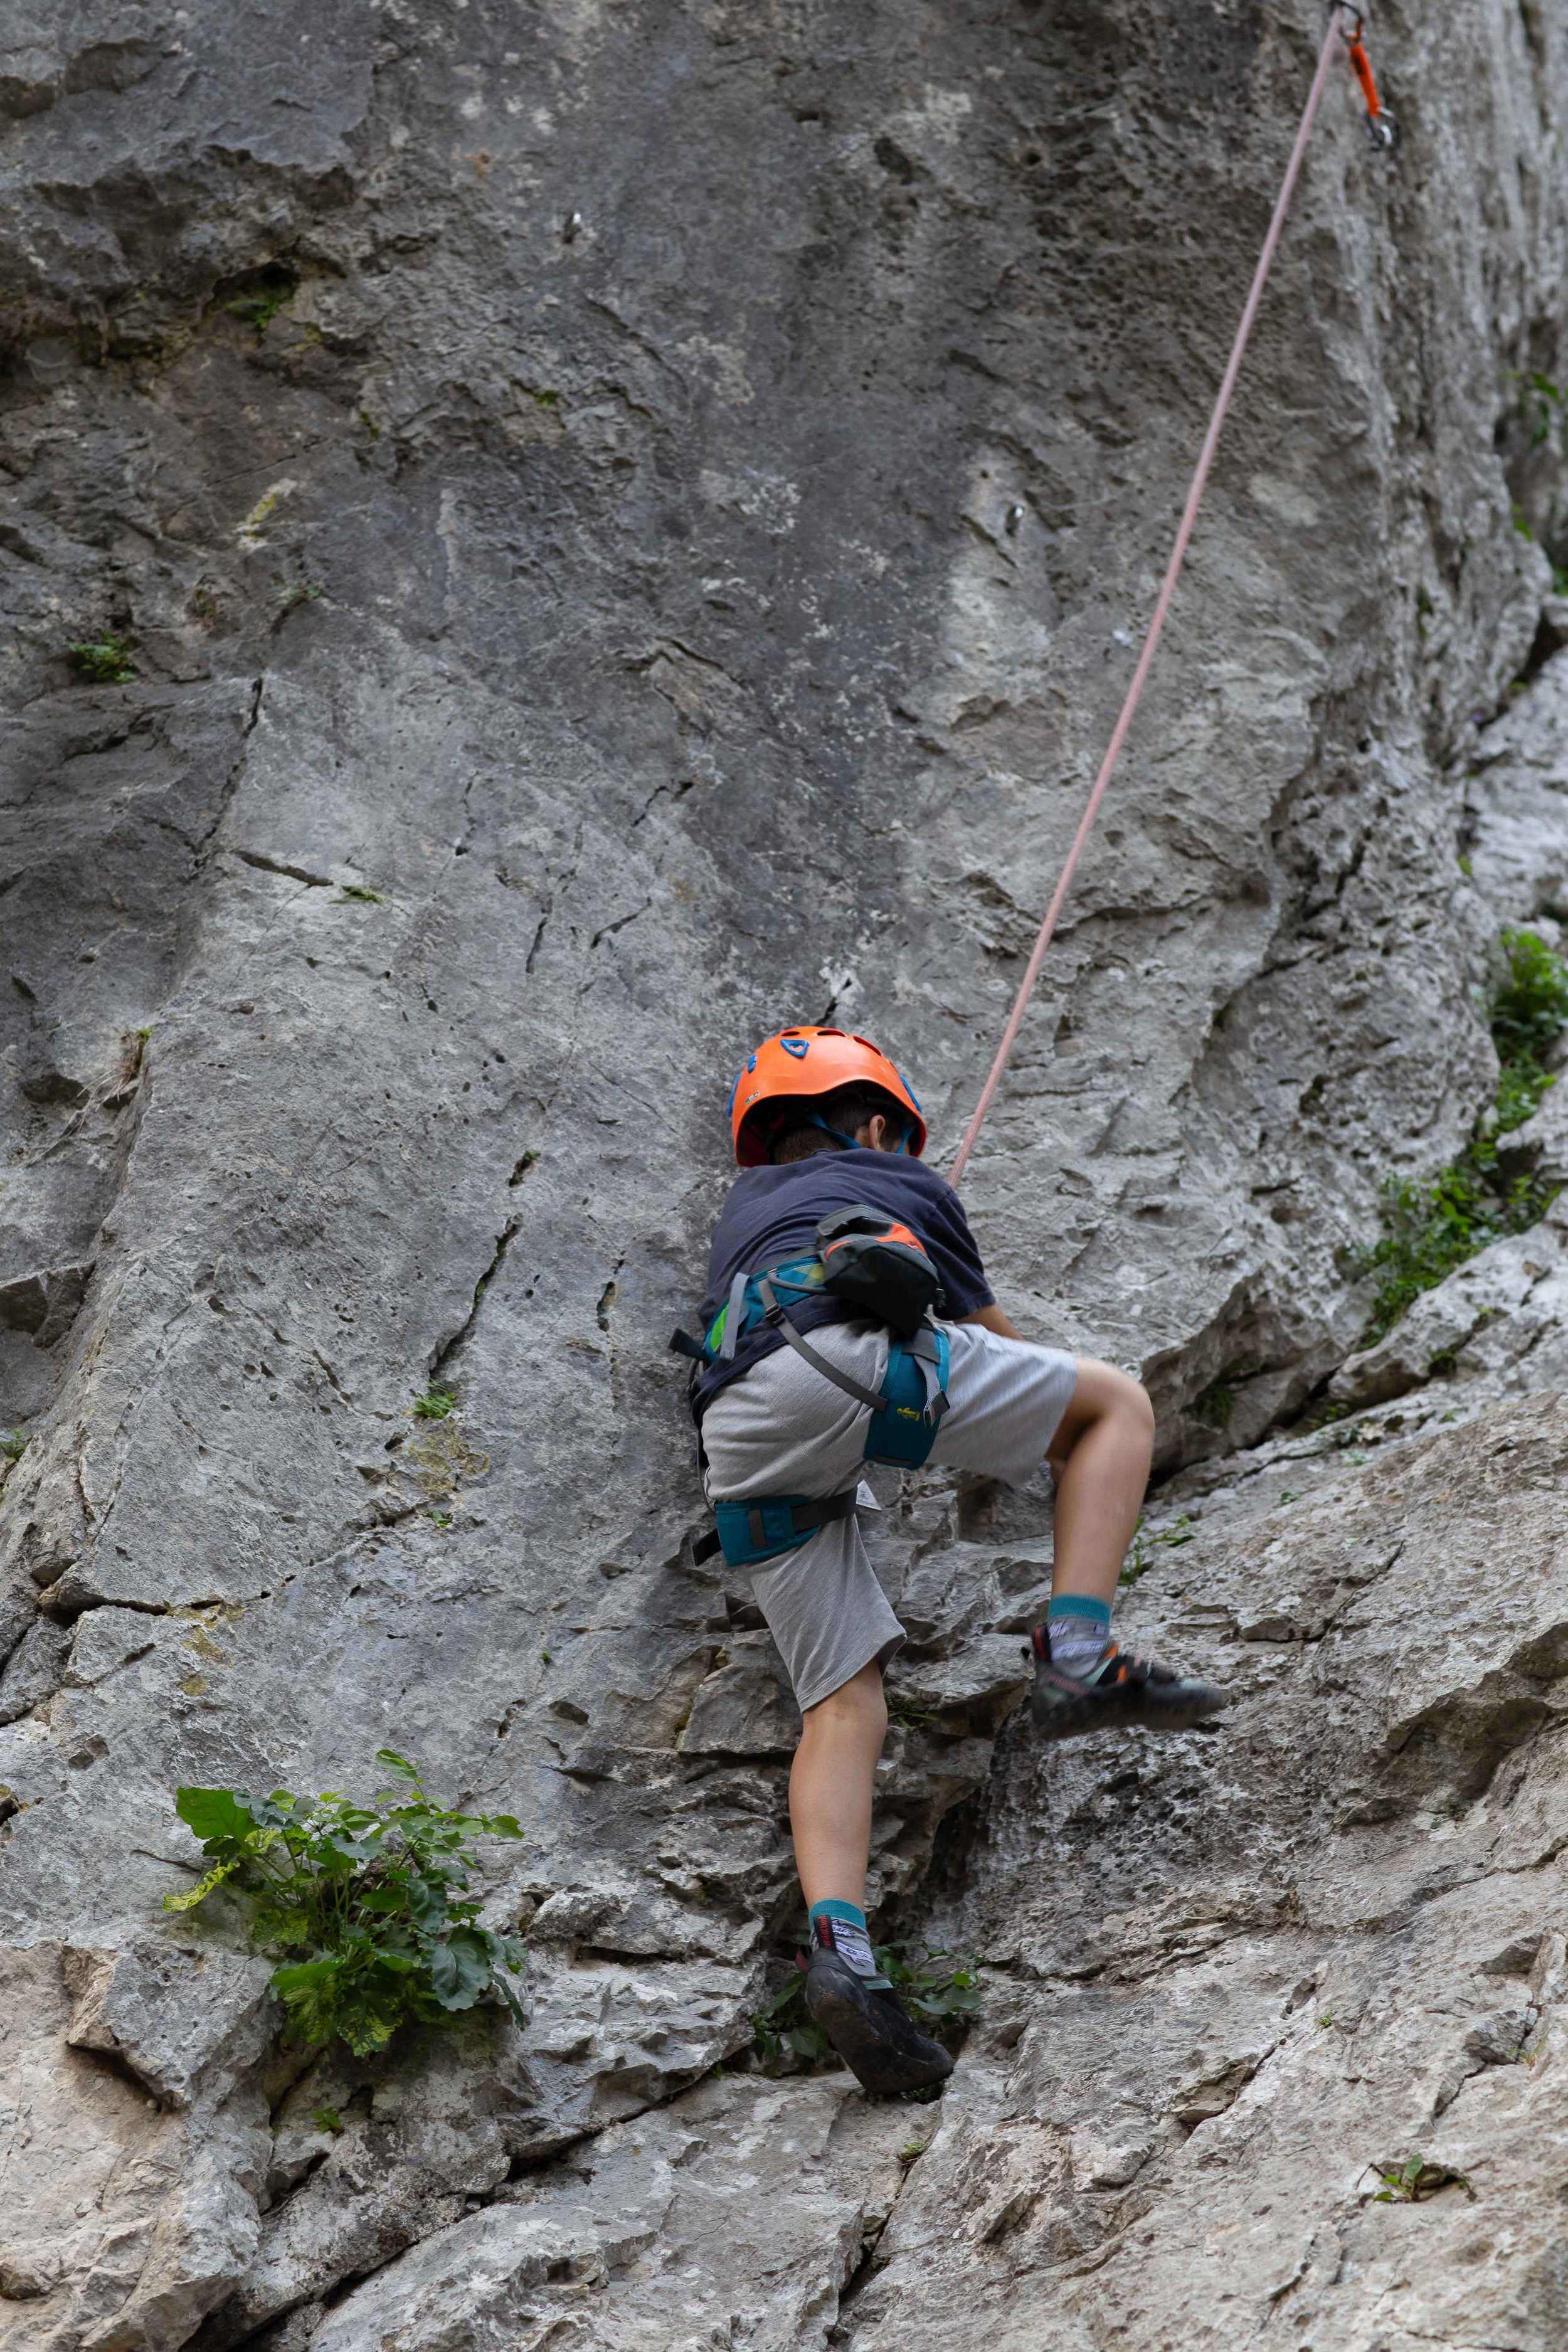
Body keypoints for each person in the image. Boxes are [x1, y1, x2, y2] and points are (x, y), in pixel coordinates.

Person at [684, 1027, 1225, 2095]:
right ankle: (1077, 1649)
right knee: (1115, 1403)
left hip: (741, 1425)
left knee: (843, 1703)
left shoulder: (742, 1213)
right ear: (876, 1119)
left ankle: (843, 1956)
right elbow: (1009, 1349)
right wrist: (1049, 1448)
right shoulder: (898, 1172)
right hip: (841, 1368)